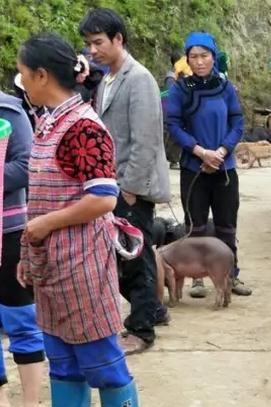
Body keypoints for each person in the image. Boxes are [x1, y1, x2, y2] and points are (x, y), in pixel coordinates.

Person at [16, 32, 139, 407]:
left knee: (99, 352)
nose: (21, 80)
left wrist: (46, 224)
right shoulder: (49, 120)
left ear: (42, 75)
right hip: (52, 262)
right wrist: (30, 249)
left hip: (82, 260)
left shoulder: (84, 127)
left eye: (24, 73)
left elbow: (104, 198)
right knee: (61, 352)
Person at [80, 8, 171, 355]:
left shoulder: (139, 78)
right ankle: (153, 311)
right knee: (128, 255)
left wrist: (130, 188)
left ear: (119, 39)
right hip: (114, 183)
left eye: (99, 42)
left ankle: (142, 328)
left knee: (136, 257)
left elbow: (146, 138)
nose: (93, 50)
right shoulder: (108, 79)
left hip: (132, 188)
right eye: (89, 44)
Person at [166, 31, 251, 298]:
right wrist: (201, 152)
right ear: (187, 60)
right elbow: (173, 125)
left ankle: (231, 275)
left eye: (205, 56)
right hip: (194, 168)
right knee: (196, 225)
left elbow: (237, 123)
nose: (200, 61)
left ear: (214, 57)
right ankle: (198, 279)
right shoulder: (180, 90)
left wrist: (222, 151)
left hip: (224, 168)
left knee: (227, 224)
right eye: (194, 57)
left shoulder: (226, 88)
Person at [0, 88, 45, 407]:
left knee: (20, 320)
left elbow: (26, 164)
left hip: (9, 231)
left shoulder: (8, 110)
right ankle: (0, 399)